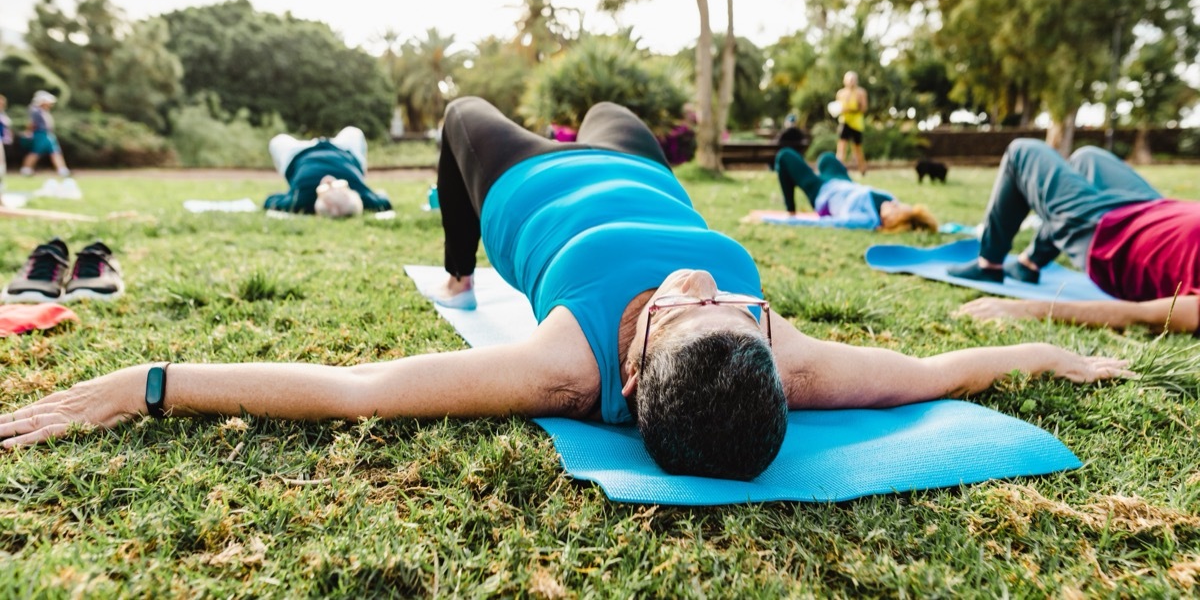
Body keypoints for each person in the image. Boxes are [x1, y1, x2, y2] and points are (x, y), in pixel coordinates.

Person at [0, 100, 1132, 480]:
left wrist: (142, 382)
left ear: (630, 376)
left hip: (527, 183)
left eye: (684, 309)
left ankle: (450, 255)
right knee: (621, 108)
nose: (707, 286)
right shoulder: (776, 361)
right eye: (733, 307)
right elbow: (946, 369)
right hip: (633, 162)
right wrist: (1069, 353)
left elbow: (355, 389)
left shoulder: (562, 364)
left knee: (456, 121)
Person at [949, 139, 1200, 334]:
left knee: (1023, 151)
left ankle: (989, 264)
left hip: (1111, 238)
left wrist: (1025, 309)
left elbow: (1145, 315)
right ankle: (1030, 263)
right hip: (1151, 208)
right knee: (1088, 157)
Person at [774, 148, 938, 232]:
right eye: (898, 204)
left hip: (822, 191)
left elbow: (829, 223)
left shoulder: (865, 219)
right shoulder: (889, 198)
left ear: (886, 223)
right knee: (827, 158)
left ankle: (791, 209)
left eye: (895, 209)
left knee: (785, 156)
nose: (894, 203)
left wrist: (784, 220)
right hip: (843, 181)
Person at [264, 126, 392, 217]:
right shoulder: (361, 192)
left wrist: (292, 193)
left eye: (327, 190)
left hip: (299, 153)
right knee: (354, 132)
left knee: (277, 141)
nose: (329, 181)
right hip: (342, 149)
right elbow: (384, 201)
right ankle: (363, 174)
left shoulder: (301, 200)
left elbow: (270, 200)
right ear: (351, 191)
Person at [19, 91, 70, 177]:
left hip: (48, 134)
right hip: (40, 134)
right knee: (35, 152)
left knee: (55, 151)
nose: (50, 104)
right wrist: (28, 132)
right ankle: (26, 169)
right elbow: (31, 123)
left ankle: (62, 170)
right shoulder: (36, 111)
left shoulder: (43, 111)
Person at [834, 71, 869, 176]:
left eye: (853, 80)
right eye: (849, 80)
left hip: (856, 124)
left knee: (857, 148)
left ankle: (862, 170)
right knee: (841, 146)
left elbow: (863, 108)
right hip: (844, 122)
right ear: (845, 81)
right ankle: (838, 169)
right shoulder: (841, 93)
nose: (851, 82)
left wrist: (851, 109)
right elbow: (838, 107)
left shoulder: (861, 92)